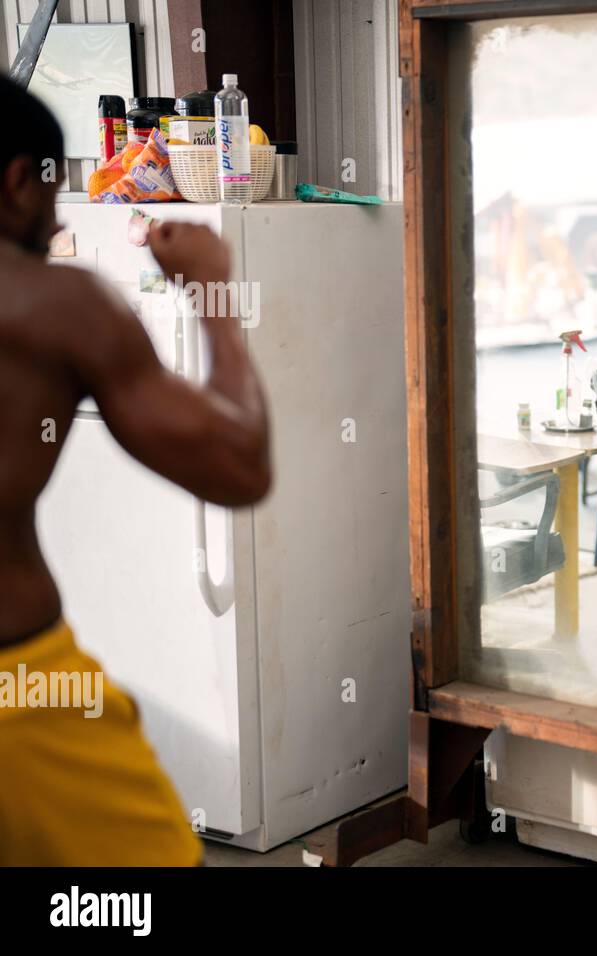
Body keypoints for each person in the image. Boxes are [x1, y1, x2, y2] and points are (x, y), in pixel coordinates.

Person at [0, 75, 271, 863]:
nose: (55, 222)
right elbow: (240, 466)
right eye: (52, 195)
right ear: (20, 180)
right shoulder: (56, 306)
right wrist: (214, 292)